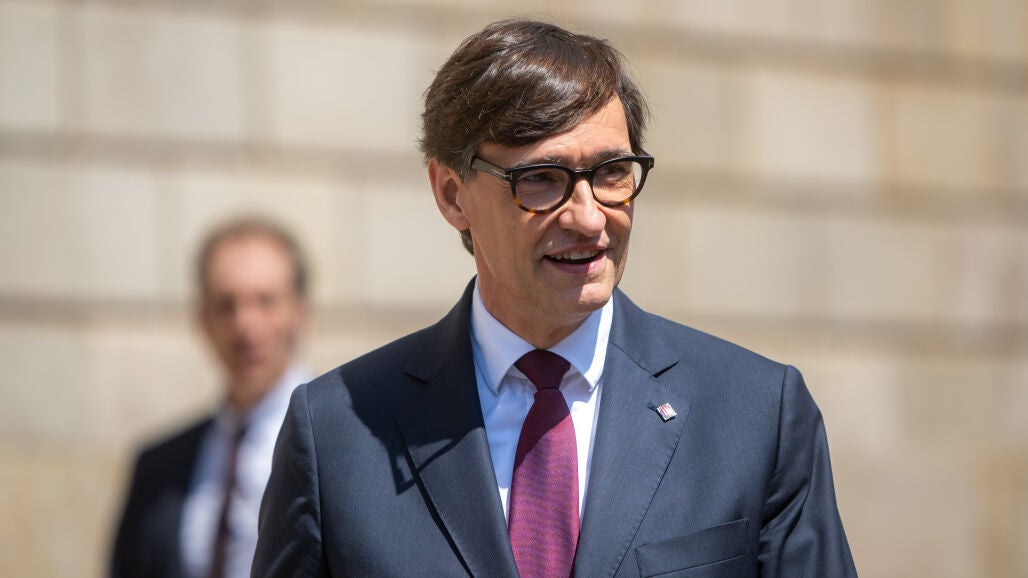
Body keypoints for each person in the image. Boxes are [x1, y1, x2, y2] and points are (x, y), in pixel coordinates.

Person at [253, 19, 857, 577]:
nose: (590, 218)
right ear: (452, 194)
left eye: (612, 172)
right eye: (541, 179)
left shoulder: (758, 415)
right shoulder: (335, 432)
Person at [111, 218, 313, 578]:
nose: (245, 325)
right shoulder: (158, 467)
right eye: (226, 305)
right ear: (202, 319)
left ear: (299, 312)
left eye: (265, 302)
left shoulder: (343, 450)